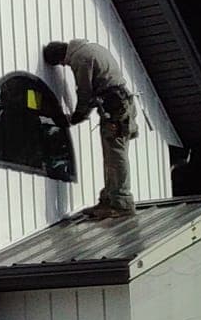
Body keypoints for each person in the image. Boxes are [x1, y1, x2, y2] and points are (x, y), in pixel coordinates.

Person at [43, 39, 139, 219]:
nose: (64, 66)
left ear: (60, 58)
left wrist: (77, 116)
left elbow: (84, 92)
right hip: (120, 104)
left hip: (116, 109)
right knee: (111, 156)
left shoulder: (80, 59)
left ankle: (122, 203)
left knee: (116, 155)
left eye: (61, 64)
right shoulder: (90, 48)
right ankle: (109, 199)